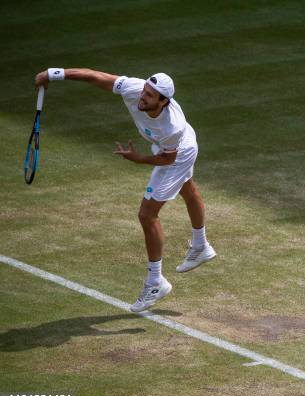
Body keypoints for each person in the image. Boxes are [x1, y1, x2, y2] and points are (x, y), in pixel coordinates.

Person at [34, 68, 217, 312]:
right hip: (170, 147)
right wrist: (54, 74)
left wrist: (137, 158)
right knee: (187, 187)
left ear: (164, 102)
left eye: (150, 96)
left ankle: (155, 281)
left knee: (147, 214)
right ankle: (201, 245)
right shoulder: (134, 89)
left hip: (177, 153)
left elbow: (167, 160)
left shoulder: (172, 127)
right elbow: (93, 76)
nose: (143, 97)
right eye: (145, 91)